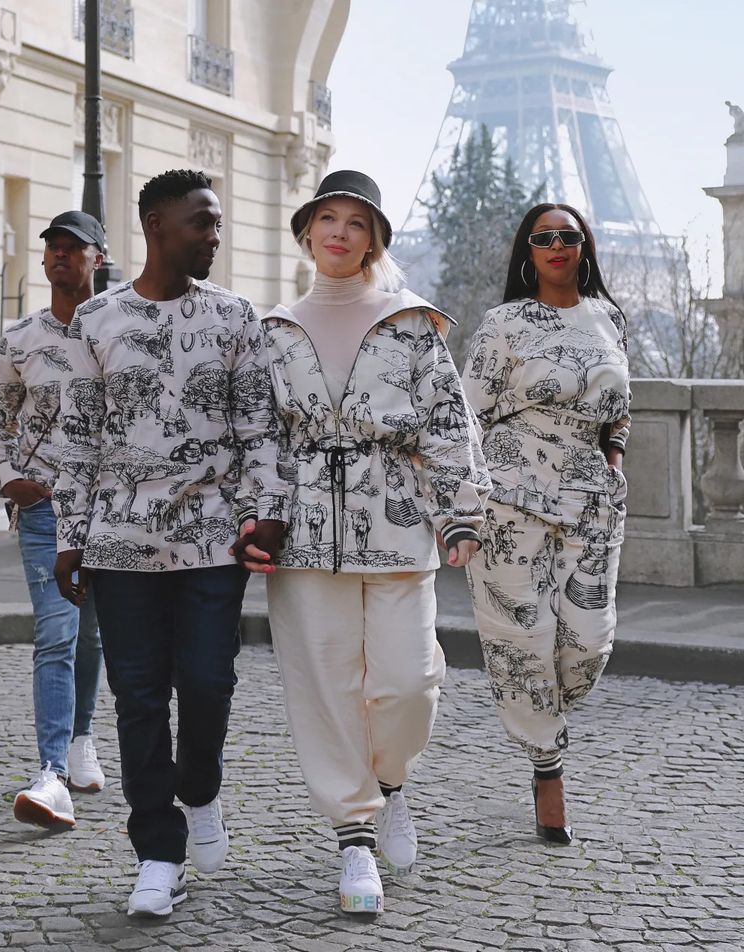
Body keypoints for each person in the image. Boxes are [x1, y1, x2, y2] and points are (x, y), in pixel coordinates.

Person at [52, 169, 287, 918]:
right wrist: (69, 538)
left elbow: (260, 431)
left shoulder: (236, 318)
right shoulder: (96, 321)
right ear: (155, 225)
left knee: (209, 683)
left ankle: (201, 790)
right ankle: (158, 851)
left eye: (217, 224)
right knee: (139, 700)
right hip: (120, 547)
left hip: (214, 543)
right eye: (200, 223)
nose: (214, 236)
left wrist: (265, 514)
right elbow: (77, 442)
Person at [260, 170, 489, 914]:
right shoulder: (273, 328)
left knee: (406, 683)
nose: (338, 232)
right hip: (301, 538)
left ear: (374, 239)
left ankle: (392, 784)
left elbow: (449, 424)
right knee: (323, 686)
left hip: (396, 523)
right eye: (326, 218)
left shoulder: (412, 322)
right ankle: (354, 838)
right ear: (305, 233)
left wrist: (459, 513)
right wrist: (254, 517)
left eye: (355, 223)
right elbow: (257, 436)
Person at [461, 202, 630, 846]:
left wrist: (614, 462)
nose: (556, 246)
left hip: (591, 505)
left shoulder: (609, 317)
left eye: (568, 236)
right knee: (521, 641)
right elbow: (468, 414)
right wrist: (465, 504)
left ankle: (547, 728)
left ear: (584, 245)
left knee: (587, 647)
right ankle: (547, 767)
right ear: (527, 252)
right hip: (512, 506)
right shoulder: (505, 323)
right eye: (542, 238)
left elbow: (620, 408)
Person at [0, 211, 107, 829]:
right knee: (56, 634)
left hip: (112, 509)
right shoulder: (19, 340)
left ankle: (83, 738)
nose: (60, 257)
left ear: (98, 258)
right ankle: (52, 773)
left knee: (91, 633)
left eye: (74, 249)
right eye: (52, 249)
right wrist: (11, 479)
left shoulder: (119, 331)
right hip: (44, 510)